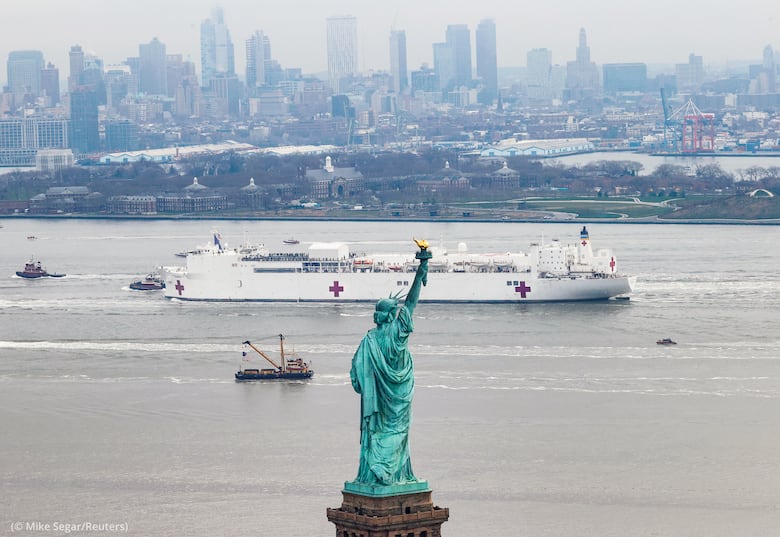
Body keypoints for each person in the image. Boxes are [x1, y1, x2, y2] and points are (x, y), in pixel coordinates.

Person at [349, 240, 430, 486]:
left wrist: (368, 385)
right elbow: (412, 301)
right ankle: (394, 473)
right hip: (400, 392)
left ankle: (375, 469)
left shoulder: (369, 340)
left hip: (378, 398)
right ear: (392, 314)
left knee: (378, 430)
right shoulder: (398, 331)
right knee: (399, 429)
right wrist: (421, 269)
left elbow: (356, 377)